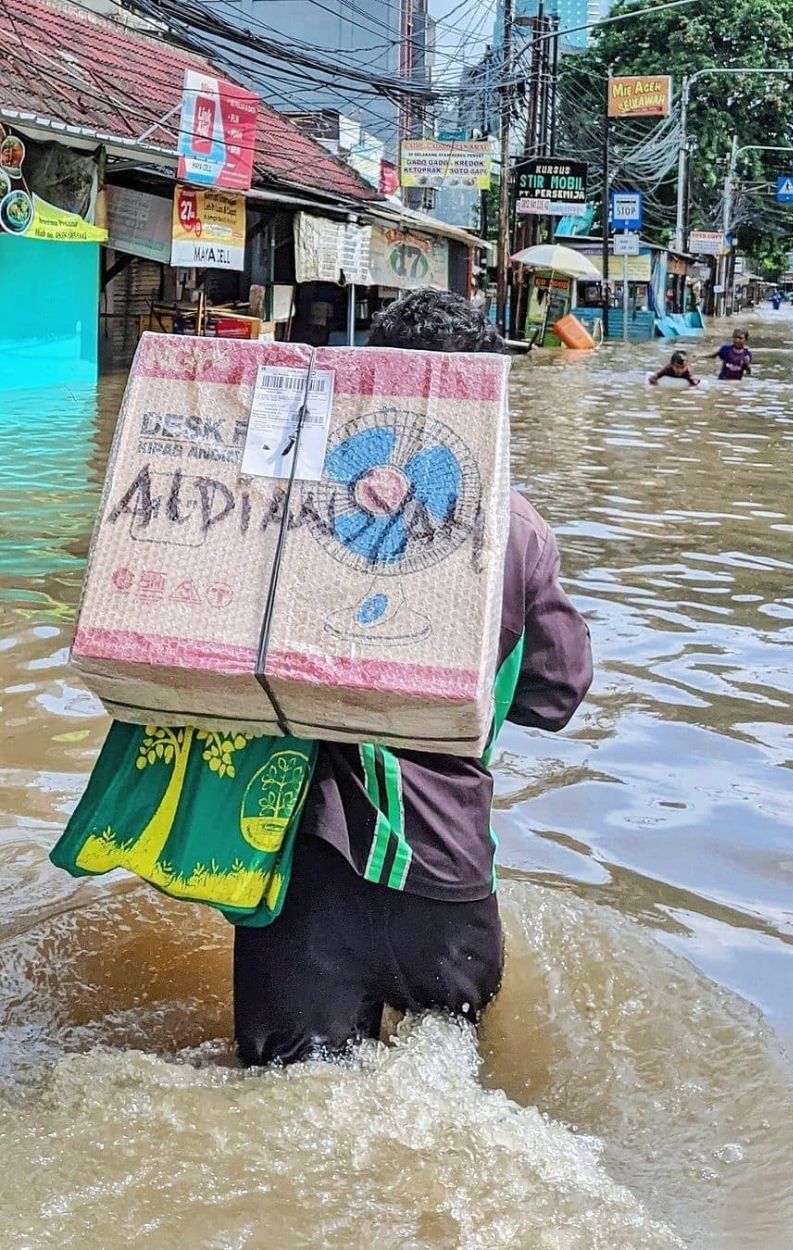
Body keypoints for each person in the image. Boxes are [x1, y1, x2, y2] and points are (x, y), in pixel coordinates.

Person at [233, 288, 594, 1066]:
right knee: (449, 1099)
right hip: (443, 868)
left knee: (283, 1108)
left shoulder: (285, 498)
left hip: (298, 869)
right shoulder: (516, 528)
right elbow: (559, 693)